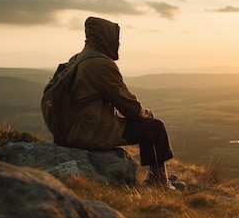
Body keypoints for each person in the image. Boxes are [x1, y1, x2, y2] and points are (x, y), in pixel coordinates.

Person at [64, 16, 174, 188]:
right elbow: (126, 103)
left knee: (147, 125)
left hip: (74, 129)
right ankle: (159, 182)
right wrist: (145, 114)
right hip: (92, 130)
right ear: (106, 38)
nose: (118, 44)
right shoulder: (101, 64)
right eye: (116, 38)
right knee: (154, 127)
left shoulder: (78, 59)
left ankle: (157, 180)